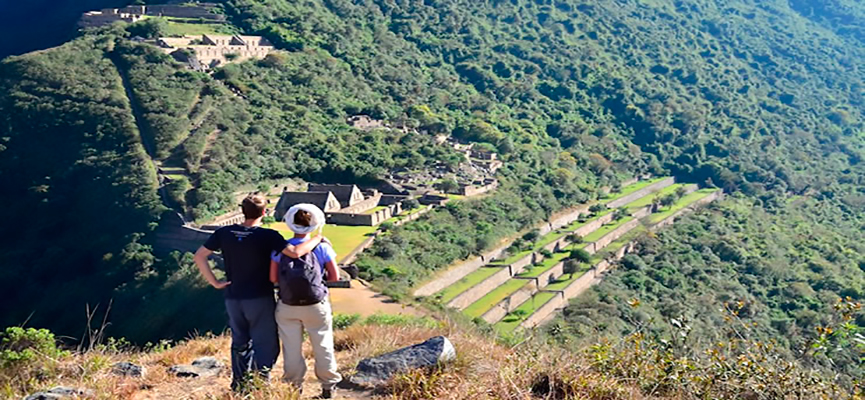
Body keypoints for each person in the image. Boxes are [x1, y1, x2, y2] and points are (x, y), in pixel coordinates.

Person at [193, 194, 326, 391]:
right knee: (266, 343)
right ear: (264, 212)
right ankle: (259, 382)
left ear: (242, 210)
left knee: (239, 341)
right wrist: (318, 238)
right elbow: (296, 253)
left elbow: (199, 256)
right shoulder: (268, 236)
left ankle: (239, 384)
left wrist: (215, 282)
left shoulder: (224, 232)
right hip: (259, 297)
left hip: (233, 297)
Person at [270, 204, 342, 398]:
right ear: (314, 225)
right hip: (316, 305)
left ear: (290, 223)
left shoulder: (280, 250)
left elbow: (273, 279)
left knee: (291, 348)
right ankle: (328, 387)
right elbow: (335, 277)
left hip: (288, 306)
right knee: (323, 344)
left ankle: (294, 388)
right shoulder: (323, 247)